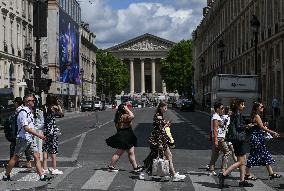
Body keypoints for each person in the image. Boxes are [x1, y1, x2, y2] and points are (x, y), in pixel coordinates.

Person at [2, 94, 48, 181]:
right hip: (23, 138)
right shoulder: (23, 112)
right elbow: (26, 128)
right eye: (32, 100)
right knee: (16, 157)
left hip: (30, 138)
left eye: (34, 100)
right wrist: (39, 135)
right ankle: (6, 175)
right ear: (27, 102)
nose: (34, 102)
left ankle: (42, 176)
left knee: (37, 156)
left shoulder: (29, 111)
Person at [142, 102, 186, 181]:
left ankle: (170, 174)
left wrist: (165, 125)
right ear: (160, 108)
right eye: (165, 108)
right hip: (160, 140)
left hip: (161, 139)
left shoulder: (160, 115)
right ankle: (172, 175)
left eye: (166, 107)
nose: (166, 109)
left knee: (159, 157)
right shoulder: (158, 116)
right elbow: (159, 131)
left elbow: (160, 128)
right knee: (164, 156)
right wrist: (160, 143)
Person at [218, 98, 254, 188]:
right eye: (242, 104)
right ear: (238, 106)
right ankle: (223, 174)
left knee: (242, 160)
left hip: (236, 140)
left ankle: (242, 181)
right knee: (241, 161)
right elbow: (238, 127)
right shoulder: (237, 114)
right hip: (238, 139)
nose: (244, 106)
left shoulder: (234, 114)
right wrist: (247, 126)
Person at [245, 101, 281, 180]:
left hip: (258, 138)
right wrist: (273, 132)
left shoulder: (256, 115)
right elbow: (262, 127)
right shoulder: (257, 116)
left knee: (264, 154)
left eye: (263, 107)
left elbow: (259, 126)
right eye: (261, 107)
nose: (263, 108)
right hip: (256, 138)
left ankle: (271, 173)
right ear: (256, 108)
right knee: (254, 155)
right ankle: (247, 174)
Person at [105, 103, 143, 172]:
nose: (128, 108)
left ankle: (135, 167)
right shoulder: (124, 116)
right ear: (124, 109)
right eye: (126, 107)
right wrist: (128, 110)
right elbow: (132, 116)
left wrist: (127, 109)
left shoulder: (119, 116)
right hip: (125, 136)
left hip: (125, 135)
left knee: (131, 152)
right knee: (119, 152)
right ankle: (111, 166)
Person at [7, 97, 33, 168]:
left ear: (16, 103)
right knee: (26, 149)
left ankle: (11, 165)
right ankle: (28, 162)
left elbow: (20, 123)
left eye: (14, 102)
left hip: (20, 133)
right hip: (25, 134)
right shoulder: (25, 109)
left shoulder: (19, 110)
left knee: (14, 149)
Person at [42, 94, 64, 175]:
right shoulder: (54, 107)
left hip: (46, 130)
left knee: (45, 148)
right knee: (53, 149)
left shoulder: (44, 107)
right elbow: (61, 113)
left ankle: (44, 168)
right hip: (53, 130)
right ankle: (54, 168)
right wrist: (57, 104)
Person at [208, 102, 230, 175]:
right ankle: (223, 170)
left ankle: (211, 170)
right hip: (219, 138)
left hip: (218, 137)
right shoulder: (215, 117)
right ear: (217, 109)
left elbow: (221, 126)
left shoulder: (218, 116)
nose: (223, 110)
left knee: (215, 154)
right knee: (227, 152)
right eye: (222, 108)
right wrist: (216, 140)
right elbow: (215, 129)